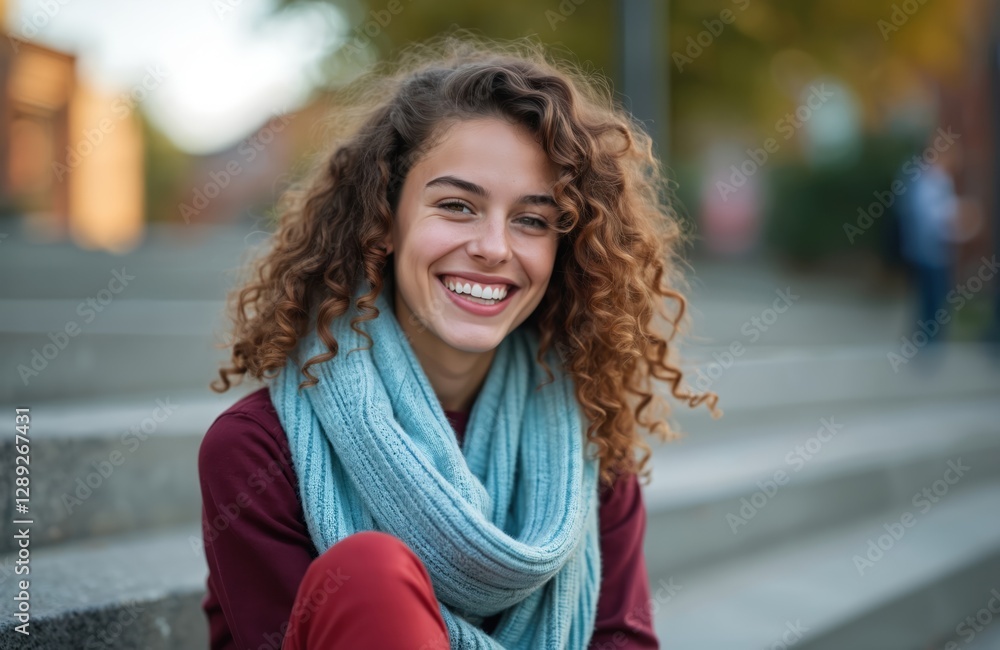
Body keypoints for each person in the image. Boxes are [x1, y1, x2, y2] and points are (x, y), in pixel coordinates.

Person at [198, 35, 719, 650]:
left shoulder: (592, 454)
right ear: (384, 219)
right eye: (456, 205)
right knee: (369, 578)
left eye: (532, 220)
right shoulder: (258, 450)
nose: (495, 247)